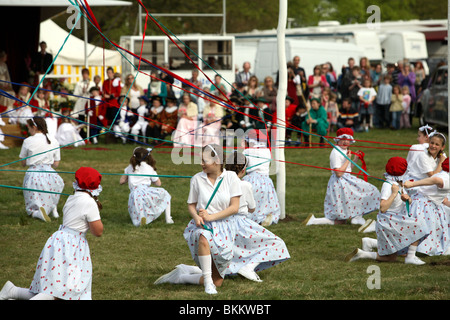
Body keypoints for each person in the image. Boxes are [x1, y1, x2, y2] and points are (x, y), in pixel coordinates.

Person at [0, 167, 104, 300]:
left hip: (60, 241)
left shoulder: (73, 197)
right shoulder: (89, 202)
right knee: (60, 291)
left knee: (57, 289)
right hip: (71, 247)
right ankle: (12, 292)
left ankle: (13, 291)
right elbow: (98, 231)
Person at [155, 144, 242, 294]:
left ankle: (181, 276)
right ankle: (208, 283)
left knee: (219, 282)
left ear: (217, 161)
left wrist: (211, 216)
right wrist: (196, 216)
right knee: (203, 237)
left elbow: (234, 207)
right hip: (204, 226)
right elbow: (191, 205)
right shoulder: (196, 179)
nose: (201, 164)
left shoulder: (231, 177)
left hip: (225, 229)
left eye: (204, 160)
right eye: (200, 160)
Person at [345, 157, 429, 265]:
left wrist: (408, 199)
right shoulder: (388, 185)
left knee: (394, 255)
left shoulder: (400, 183)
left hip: (397, 219)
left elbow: (405, 200)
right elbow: (383, 208)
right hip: (389, 222)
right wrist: (394, 194)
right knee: (419, 226)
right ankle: (410, 257)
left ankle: (366, 248)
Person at [223, 151, 290, 281]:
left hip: (224, 224)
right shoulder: (245, 185)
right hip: (241, 223)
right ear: (244, 170)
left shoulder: (220, 184)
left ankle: (236, 267)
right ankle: (248, 267)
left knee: (235, 249)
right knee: (276, 243)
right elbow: (252, 208)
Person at [303, 128, 380, 226]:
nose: (345, 141)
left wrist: (354, 160)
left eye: (348, 139)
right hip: (340, 184)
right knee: (369, 190)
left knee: (341, 220)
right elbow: (338, 173)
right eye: (343, 139)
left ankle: (314, 221)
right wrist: (348, 159)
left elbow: (347, 169)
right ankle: (356, 217)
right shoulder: (336, 152)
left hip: (346, 179)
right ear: (338, 140)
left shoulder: (345, 150)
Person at [19, 117, 64, 221]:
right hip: (50, 174)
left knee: (33, 198)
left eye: (29, 128)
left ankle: (37, 213)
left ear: (34, 127)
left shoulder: (28, 141)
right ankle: (53, 209)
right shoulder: (53, 140)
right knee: (50, 190)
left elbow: (23, 163)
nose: (28, 130)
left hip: (33, 174)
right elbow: (56, 164)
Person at [404, 157, 450, 256]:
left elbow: (444, 199)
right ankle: (411, 254)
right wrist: (413, 184)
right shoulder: (446, 178)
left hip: (428, 204)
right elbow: (436, 180)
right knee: (421, 231)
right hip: (424, 206)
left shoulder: (443, 174)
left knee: (430, 229)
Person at [120, 147, 173, 227]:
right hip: (146, 192)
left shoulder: (130, 167)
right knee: (165, 194)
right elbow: (158, 183)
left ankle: (142, 219)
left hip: (134, 195)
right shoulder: (149, 168)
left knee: (139, 208)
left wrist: (129, 177)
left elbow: (121, 181)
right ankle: (168, 218)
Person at [242, 130, 280, 226]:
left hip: (251, 180)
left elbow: (243, 166)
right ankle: (265, 217)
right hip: (266, 181)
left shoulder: (246, 151)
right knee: (265, 201)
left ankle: (251, 218)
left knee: (251, 200)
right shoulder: (267, 151)